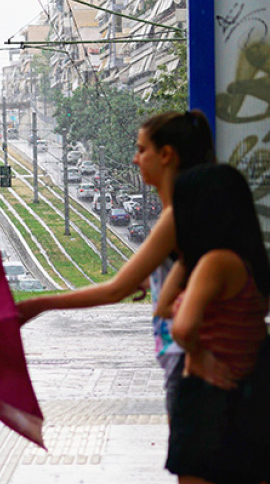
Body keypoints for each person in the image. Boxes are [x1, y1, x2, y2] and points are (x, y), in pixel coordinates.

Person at [17, 110, 216, 409]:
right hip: (186, 359)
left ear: (166, 155)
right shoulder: (190, 210)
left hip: (188, 362)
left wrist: (40, 304)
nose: (135, 159)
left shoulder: (174, 217)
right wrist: (153, 282)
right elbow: (188, 277)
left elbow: (114, 290)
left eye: (141, 150)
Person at [154, 163, 270, 484]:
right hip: (222, 412)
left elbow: (182, 327)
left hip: (208, 410)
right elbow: (164, 306)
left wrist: (199, 353)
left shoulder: (217, 263)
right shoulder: (226, 261)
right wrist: (188, 255)